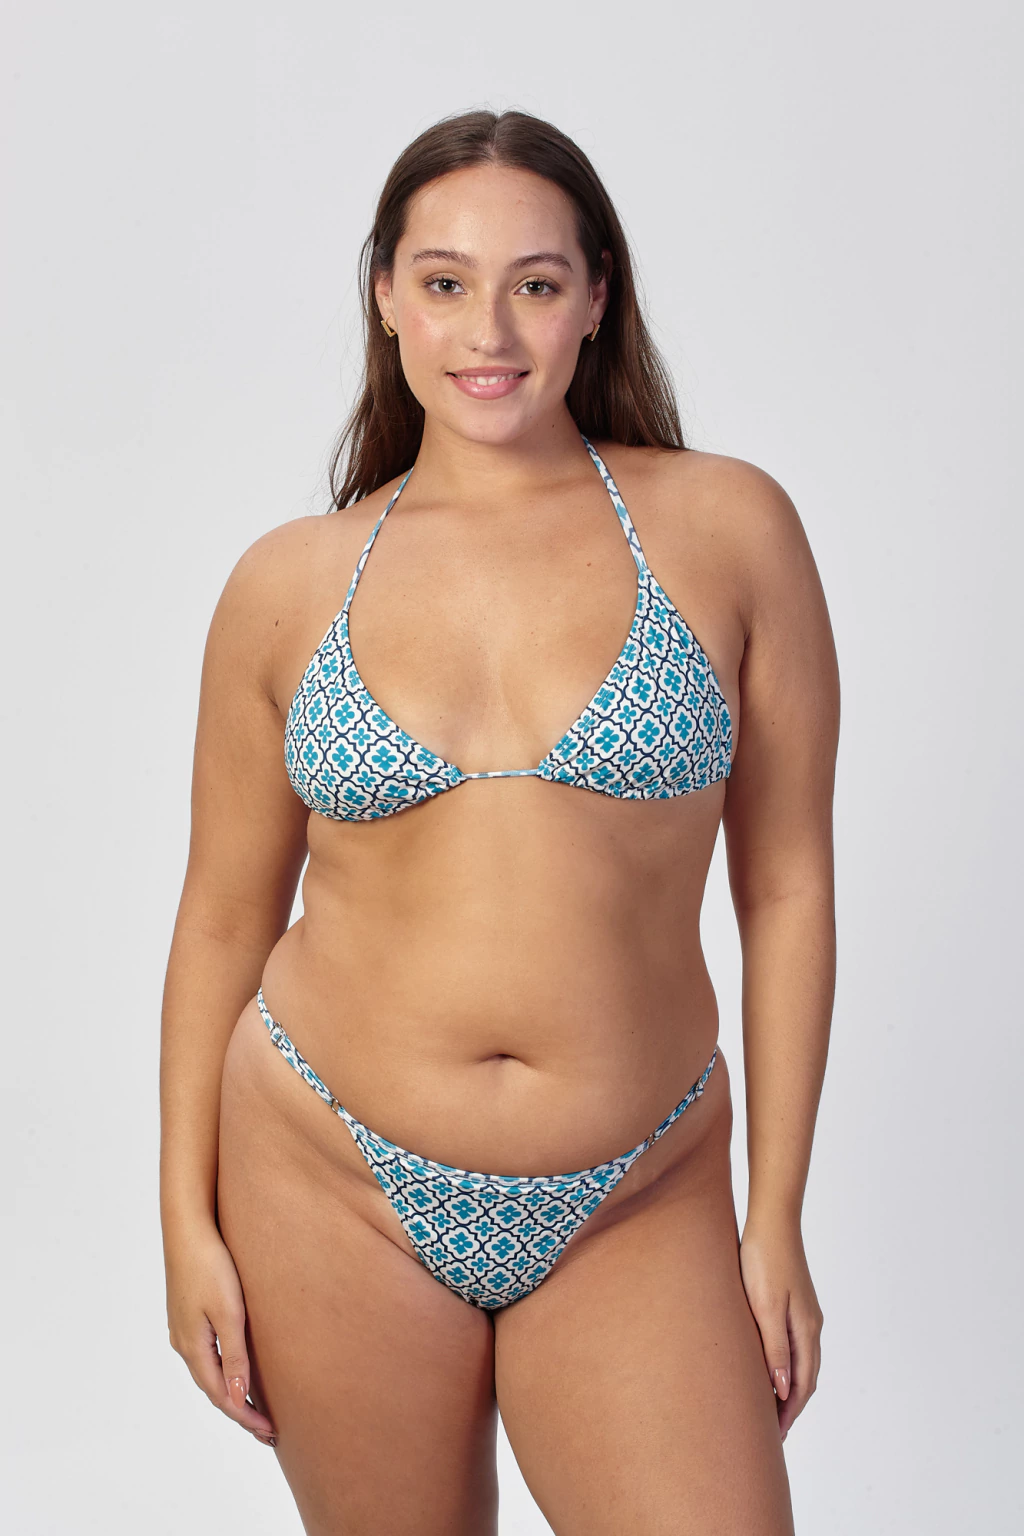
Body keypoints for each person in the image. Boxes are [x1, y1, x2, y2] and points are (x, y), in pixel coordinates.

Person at [160, 107, 839, 1535]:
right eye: (445, 281)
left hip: (639, 1187)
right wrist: (183, 1220)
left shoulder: (729, 530)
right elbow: (223, 915)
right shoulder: (290, 582)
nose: (491, 331)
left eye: (536, 282)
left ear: (597, 298)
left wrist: (775, 1214)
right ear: (385, 298)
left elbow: (786, 887)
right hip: (328, 1168)